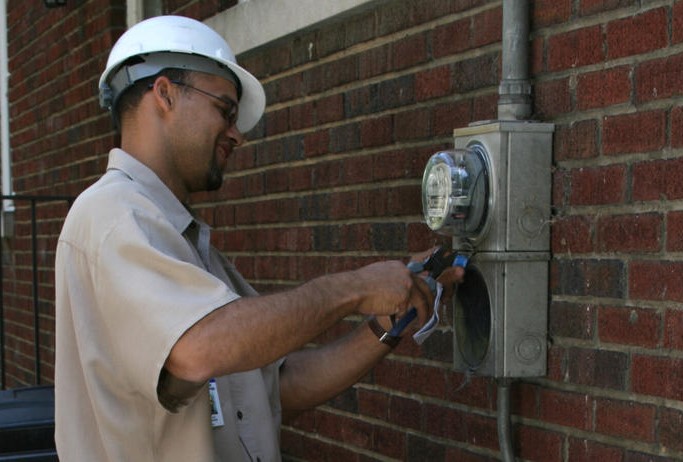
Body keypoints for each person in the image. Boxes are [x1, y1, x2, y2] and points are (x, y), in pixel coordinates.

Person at [54, 15, 464, 462]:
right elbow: (199, 348)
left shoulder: (176, 238)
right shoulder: (113, 214)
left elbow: (279, 382)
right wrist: (356, 288)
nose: (236, 134)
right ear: (165, 94)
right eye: (225, 111)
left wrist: (389, 323)